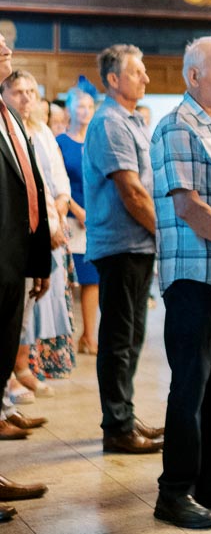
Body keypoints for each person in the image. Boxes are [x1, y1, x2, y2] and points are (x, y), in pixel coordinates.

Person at [151, 37, 211, 527]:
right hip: (193, 275)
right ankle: (174, 490)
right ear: (193, 76)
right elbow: (187, 207)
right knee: (190, 385)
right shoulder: (176, 126)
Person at [83, 44, 162, 454]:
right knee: (118, 337)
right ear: (113, 79)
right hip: (121, 244)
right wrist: (164, 233)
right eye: (136, 72)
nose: (145, 78)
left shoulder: (130, 120)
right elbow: (131, 192)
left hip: (136, 244)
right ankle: (116, 426)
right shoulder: (111, 122)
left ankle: (125, 415)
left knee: (131, 335)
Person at [0, 31, 51, 514]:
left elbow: (29, 189)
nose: (5, 49)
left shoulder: (12, 116)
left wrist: (39, 263)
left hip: (14, 263)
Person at [3, 70, 74, 387]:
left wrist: (56, 218)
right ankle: (14, 373)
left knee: (30, 303)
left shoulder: (40, 130)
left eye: (32, 91)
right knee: (15, 306)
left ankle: (19, 372)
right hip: (17, 233)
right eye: (19, 91)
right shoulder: (10, 128)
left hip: (44, 227)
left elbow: (54, 183)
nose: (27, 98)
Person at [57, 87, 99, 355]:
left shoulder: (97, 140)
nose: (85, 112)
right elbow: (57, 181)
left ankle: (89, 336)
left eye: (89, 107)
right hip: (71, 217)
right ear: (70, 109)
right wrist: (77, 209)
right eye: (80, 107)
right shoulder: (61, 142)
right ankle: (61, 338)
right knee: (67, 279)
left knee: (92, 278)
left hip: (94, 217)